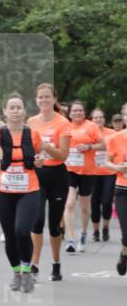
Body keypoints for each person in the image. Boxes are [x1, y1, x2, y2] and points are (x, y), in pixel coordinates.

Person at [0, 94, 43, 292]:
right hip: (3, 189)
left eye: (19, 107)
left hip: (28, 189)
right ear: (5, 111)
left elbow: (39, 156)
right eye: (11, 107)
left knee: (22, 230)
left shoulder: (33, 134)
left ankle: (26, 270)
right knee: (10, 235)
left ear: (24, 111)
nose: (15, 111)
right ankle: (16, 272)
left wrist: (39, 161)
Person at [28, 83, 71, 282]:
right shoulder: (31, 122)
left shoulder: (63, 123)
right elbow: (28, 149)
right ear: (36, 100)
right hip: (37, 175)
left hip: (57, 176)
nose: (44, 100)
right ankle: (34, 264)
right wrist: (33, 157)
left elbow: (63, 155)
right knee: (36, 221)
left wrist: (46, 146)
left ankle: (56, 263)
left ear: (54, 99)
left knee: (54, 225)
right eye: (40, 97)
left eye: (47, 96)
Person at [63, 100, 105, 253]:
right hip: (69, 170)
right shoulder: (65, 127)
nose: (77, 112)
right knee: (69, 203)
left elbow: (103, 145)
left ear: (84, 112)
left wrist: (89, 147)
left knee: (85, 207)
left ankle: (84, 234)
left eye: (80, 110)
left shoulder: (91, 127)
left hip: (87, 172)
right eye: (74, 110)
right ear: (70, 113)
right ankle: (70, 239)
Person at [89, 108, 116, 243]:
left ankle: (105, 227)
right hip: (92, 172)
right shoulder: (88, 133)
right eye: (96, 117)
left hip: (109, 172)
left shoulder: (111, 133)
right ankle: (96, 231)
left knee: (106, 202)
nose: (98, 119)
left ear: (104, 119)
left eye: (101, 117)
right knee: (94, 202)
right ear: (91, 120)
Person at [105, 128, 127, 276]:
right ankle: (124, 254)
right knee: (126, 229)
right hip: (122, 189)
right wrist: (117, 167)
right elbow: (107, 162)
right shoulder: (116, 138)